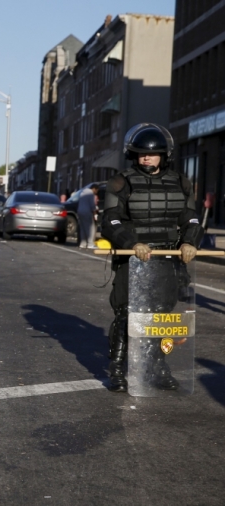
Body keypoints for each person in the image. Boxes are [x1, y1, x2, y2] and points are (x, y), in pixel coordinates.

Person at [101, 123, 202, 393]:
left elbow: (191, 218)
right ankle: (118, 369)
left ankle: (158, 366)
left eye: (153, 153)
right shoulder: (120, 181)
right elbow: (109, 221)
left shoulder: (181, 182)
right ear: (133, 154)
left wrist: (190, 241)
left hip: (167, 258)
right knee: (126, 315)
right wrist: (131, 243)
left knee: (161, 316)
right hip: (132, 257)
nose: (146, 157)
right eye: (141, 153)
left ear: (163, 155)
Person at [77, 184, 99, 248]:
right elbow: (92, 205)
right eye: (97, 190)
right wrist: (95, 213)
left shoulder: (83, 192)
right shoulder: (90, 193)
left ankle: (82, 244)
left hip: (80, 211)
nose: (96, 192)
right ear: (94, 189)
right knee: (91, 228)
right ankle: (90, 244)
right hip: (87, 212)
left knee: (83, 228)